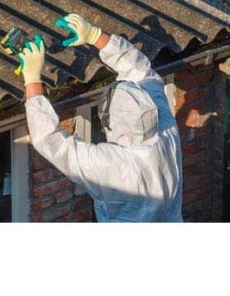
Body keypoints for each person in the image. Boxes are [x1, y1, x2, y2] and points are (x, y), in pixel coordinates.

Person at [18, 14, 183, 222]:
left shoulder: (111, 165)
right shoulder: (165, 129)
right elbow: (141, 71)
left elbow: (49, 140)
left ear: (110, 123)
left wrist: (32, 79)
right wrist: (94, 35)